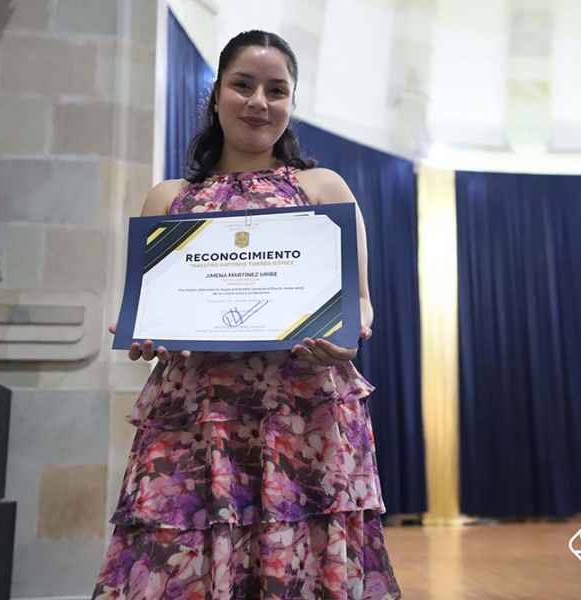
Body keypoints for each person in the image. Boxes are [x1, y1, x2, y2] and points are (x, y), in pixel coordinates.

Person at [93, 30, 401, 600]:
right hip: (197, 419)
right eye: (243, 85)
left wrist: (351, 334)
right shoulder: (168, 198)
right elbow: (150, 304)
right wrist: (144, 331)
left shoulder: (323, 187)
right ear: (216, 95)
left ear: (291, 103)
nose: (259, 101)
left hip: (304, 416)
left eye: (276, 90)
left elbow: (359, 300)